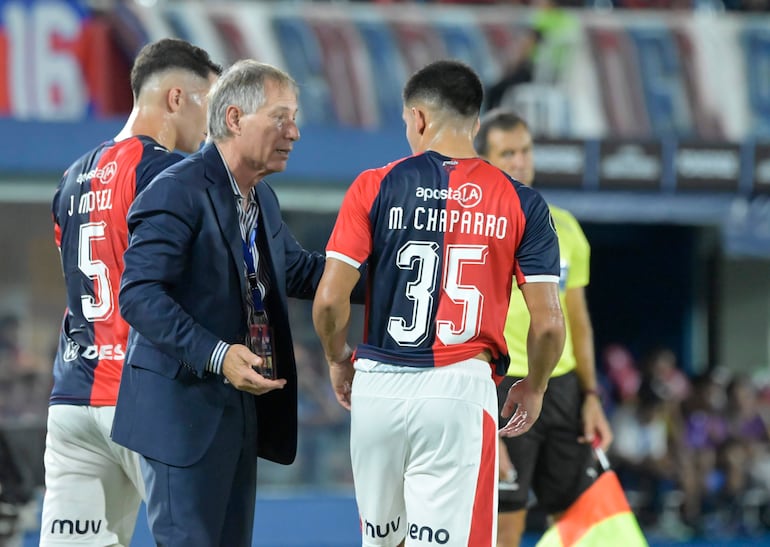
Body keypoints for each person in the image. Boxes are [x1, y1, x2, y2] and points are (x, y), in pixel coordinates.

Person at [312, 60, 566, 547]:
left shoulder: (374, 185)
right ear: (476, 121)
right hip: (459, 390)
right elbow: (550, 327)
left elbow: (328, 301)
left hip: (378, 389)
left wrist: (337, 359)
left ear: (420, 118)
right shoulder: (523, 203)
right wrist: (533, 387)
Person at [110, 59, 344, 547]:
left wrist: (379, 267)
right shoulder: (176, 189)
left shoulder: (261, 198)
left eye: (294, 117)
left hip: (238, 410)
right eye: (281, 117)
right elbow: (139, 294)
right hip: (182, 414)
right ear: (235, 118)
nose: (294, 132)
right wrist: (217, 354)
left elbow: (298, 271)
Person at [42, 38, 221, 546]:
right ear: (175, 98)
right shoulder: (168, 174)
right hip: (143, 399)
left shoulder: (70, 178)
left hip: (73, 400)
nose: (210, 125)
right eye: (207, 101)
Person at [474, 109, 613, 547]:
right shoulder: (476, 227)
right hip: (503, 385)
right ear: (485, 160)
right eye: (507, 152)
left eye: (525, 150)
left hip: (564, 389)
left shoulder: (566, 226)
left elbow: (579, 322)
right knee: (506, 525)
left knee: (579, 524)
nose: (519, 161)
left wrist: (591, 396)